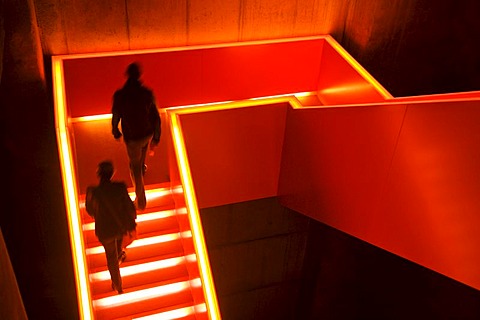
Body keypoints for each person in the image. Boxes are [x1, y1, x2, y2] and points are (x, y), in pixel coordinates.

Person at [111, 62, 161, 210]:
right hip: (147, 133)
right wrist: (156, 138)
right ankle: (142, 168)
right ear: (140, 75)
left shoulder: (120, 95)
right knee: (141, 157)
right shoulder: (147, 93)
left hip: (132, 137)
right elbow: (155, 117)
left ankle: (141, 201)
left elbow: (116, 115)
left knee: (135, 167)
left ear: (127, 75)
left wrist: (115, 130)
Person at [85, 161, 137, 294]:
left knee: (111, 257)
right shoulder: (120, 187)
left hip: (104, 230)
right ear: (112, 173)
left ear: (98, 174)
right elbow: (128, 206)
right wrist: (132, 225)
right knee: (118, 243)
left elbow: (90, 210)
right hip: (119, 227)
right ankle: (120, 253)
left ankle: (118, 285)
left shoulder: (93, 191)